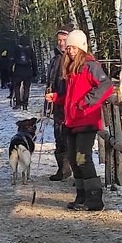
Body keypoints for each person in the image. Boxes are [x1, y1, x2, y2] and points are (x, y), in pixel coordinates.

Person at [45, 30, 113, 211]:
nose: (70, 51)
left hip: (86, 119)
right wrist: (57, 98)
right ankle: (81, 195)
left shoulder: (91, 66)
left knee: (83, 158)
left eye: (73, 47)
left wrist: (86, 102)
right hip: (71, 120)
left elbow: (106, 86)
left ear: (81, 47)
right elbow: (70, 96)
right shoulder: (72, 67)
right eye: (68, 48)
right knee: (74, 160)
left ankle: (94, 198)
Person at [46, 24, 73, 181]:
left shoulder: (73, 60)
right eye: (59, 40)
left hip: (68, 103)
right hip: (57, 103)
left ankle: (73, 170)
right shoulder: (56, 58)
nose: (61, 43)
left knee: (69, 138)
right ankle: (62, 169)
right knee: (59, 136)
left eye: (64, 40)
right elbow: (51, 81)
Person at [11, 35, 37, 110]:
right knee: (26, 88)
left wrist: (10, 70)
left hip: (18, 70)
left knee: (16, 87)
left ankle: (18, 103)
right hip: (28, 70)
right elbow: (34, 61)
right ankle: (25, 103)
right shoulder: (30, 49)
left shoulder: (16, 49)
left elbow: (12, 59)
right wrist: (35, 71)